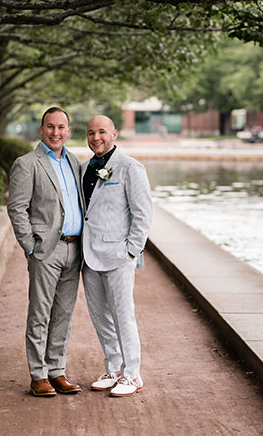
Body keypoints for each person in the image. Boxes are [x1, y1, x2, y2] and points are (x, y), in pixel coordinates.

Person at [7, 107, 83, 397]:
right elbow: (17, 208)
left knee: (63, 313)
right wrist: (30, 247)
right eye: (50, 127)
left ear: (68, 131)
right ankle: (38, 375)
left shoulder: (75, 161)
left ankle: (57, 370)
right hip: (45, 251)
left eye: (61, 127)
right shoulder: (27, 163)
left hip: (74, 249)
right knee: (40, 313)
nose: (55, 133)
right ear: (41, 130)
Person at [81, 115, 152, 397]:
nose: (96, 137)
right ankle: (113, 368)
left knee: (123, 316)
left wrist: (131, 251)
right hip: (89, 256)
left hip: (118, 256)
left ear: (114, 134)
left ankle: (132, 375)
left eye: (101, 132)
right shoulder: (85, 168)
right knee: (100, 317)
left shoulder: (131, 168)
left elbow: (143, 214)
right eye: (90, 132)